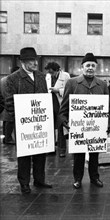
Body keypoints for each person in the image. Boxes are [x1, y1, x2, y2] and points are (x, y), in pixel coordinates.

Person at [58, 53, 109, 189]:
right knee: (79, 155)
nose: (90, 68)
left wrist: (108, 124)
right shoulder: (72, 83)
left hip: (96, 129)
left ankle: (94, 178)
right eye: (88, 65)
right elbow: (64, 108)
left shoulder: (102, 85)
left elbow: (108, 108)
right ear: (82, 67)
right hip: (78, 129)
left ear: (96, 67)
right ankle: (78, 179)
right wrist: (65, 122)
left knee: (94, 154)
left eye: (93, 65)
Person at [5, 47, 52, 193]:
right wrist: (19, 120)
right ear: (22, 62)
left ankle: (39, 180)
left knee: (40, 152)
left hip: (39, 123)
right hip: (23, 125)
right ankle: (24, 182)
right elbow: (9, 102)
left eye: (35, 60)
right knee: (24, 155)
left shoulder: (41, 76)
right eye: (31, 60)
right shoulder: (13, 78)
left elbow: (45, 98)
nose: (35, 63)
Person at [45, 62, 70, 157]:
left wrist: (58, 91)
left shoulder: (66, 76)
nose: (51, 74)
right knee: (50, 127)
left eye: (52, 72)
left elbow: (69, 89)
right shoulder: (47, 76)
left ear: (58, 70)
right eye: (49, 72)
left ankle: (62, 149)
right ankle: (51, 148)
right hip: (50, 103)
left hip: (60, 104)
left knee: (61, 128)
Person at [1, 66, 19, 144]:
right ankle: (8, 138)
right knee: (10, 121)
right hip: (11, 102)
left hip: (3, 101)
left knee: (6, 121)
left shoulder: (2, 79)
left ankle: (6, 137)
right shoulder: (12, 80)